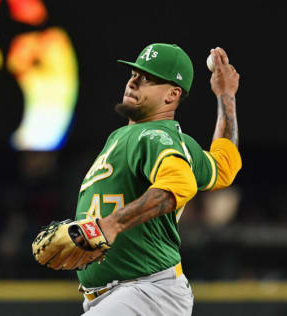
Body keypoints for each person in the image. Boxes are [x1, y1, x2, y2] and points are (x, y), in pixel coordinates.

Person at [75, 43, 241, 316]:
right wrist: (226, 96)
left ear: (172, 95)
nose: (133, 81)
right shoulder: (168, 141)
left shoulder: (153, 137)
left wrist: (112, 223)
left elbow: (181, 186)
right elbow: (225, 165)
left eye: (147, 78)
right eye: (134, 73)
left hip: (144, 292)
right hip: (130, 295)